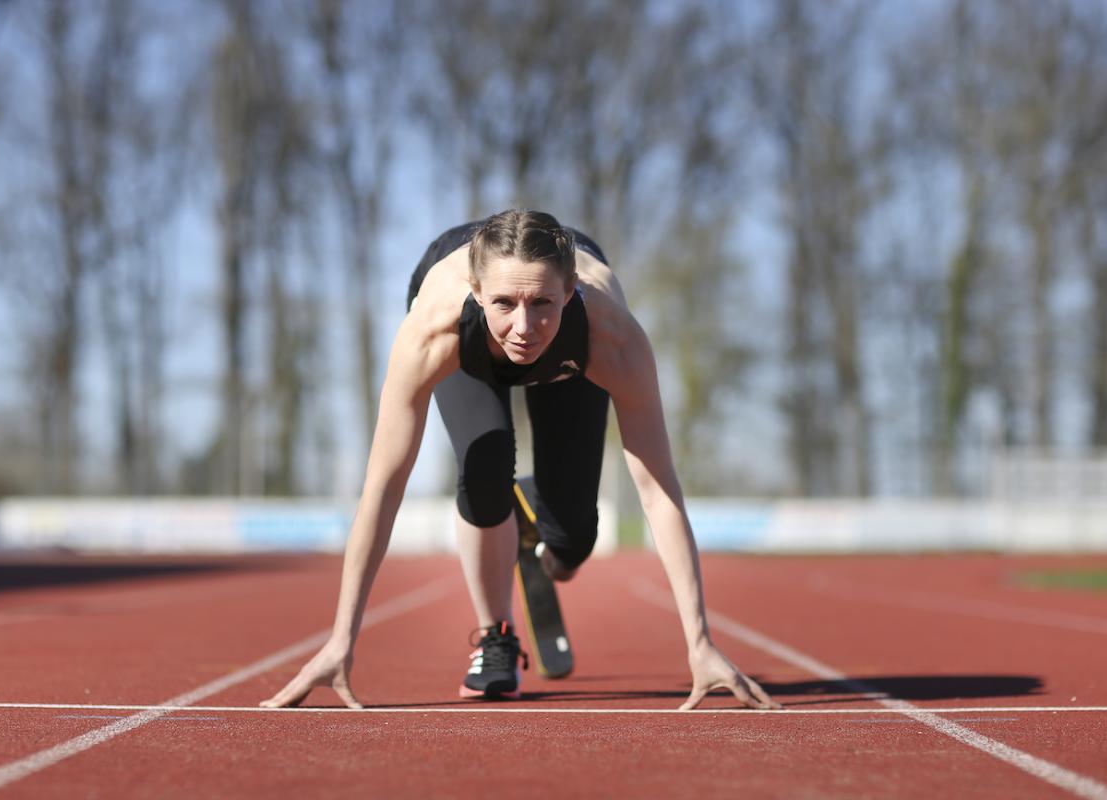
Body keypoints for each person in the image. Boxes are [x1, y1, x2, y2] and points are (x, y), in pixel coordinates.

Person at [260, 209, 779, 711]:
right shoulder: (432, 330)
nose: (524, 327)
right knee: (485, 468)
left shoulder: (611, 337)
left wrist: (699, 642)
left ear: (571, 290)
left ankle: (536, 524)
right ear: (476, 291)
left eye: (542, 303)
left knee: (574, 539)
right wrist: (340, 640)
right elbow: (383, 488)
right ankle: (497, 637)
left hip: (570, 352)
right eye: (505, 303)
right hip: (468, 342)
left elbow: (658, 489)